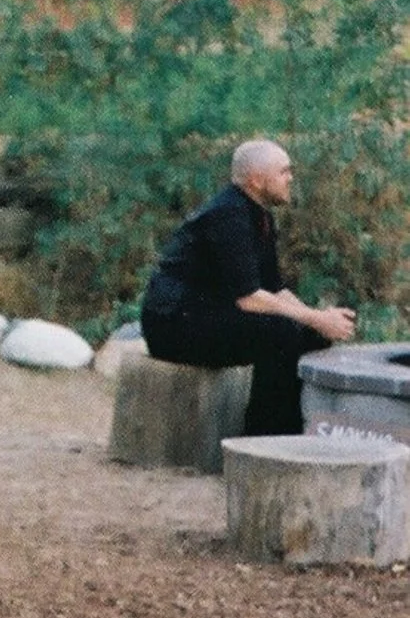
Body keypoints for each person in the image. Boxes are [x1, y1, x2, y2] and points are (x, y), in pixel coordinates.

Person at [140, 138, 355, 435]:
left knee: (309, 335)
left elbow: (274, 290)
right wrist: (316, 317)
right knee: (279, 334)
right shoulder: (228, 215)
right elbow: (249, 299)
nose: (290, 178)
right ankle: (261, 440)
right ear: (256, 180)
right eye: (284, 171)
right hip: (173, 325)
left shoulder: (259, 216)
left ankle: (295, 433)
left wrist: (318, 319)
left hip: (207, 316)